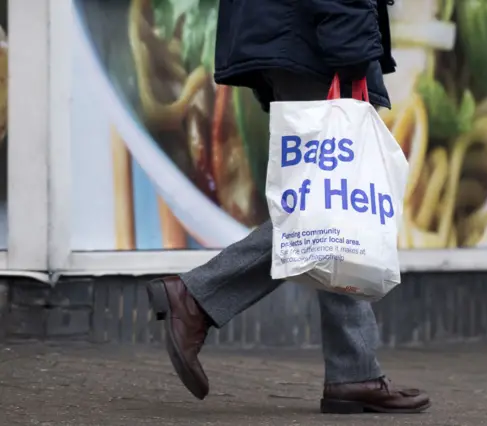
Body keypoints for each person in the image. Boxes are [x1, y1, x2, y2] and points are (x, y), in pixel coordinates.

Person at [146, 0, 431, 414]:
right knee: (323, 212)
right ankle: (194, 297)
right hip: (313, 36)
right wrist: (352, 46)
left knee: (333, 204)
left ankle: (354, 372)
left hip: (296, 31)